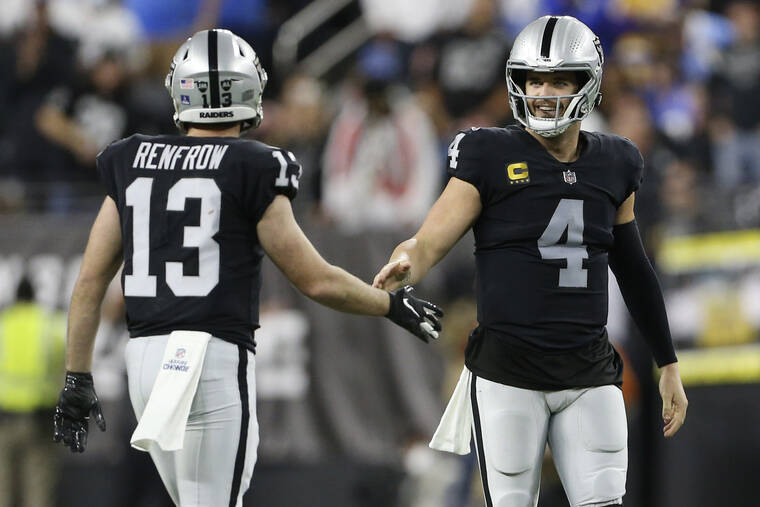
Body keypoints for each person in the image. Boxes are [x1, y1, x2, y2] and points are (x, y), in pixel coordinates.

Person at [52, 29, 442, 507]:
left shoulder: (132, 158)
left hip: (145, 361)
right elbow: (315, 279)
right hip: (209, 358)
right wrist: (388, 305)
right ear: (249, 91)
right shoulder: (253, 164)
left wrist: (77, 376)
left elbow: (90, 282)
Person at [373, 16, 688, 507]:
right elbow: (429, 240)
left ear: (588, 84)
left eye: (560, 79)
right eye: (533, 79)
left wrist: (667, 363)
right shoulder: (489, 151)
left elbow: (633, 268)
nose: (544, 91)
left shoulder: (616, 160)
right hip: (508, 373)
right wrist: (406, 263)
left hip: (589, 371)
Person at [0, 277, 65, 507]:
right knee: (38, 492)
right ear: (34, 296)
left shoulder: (3, 324)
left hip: (4, 420)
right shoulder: (49, 325)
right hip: (39, 421)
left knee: (3, 492)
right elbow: (67, 361)